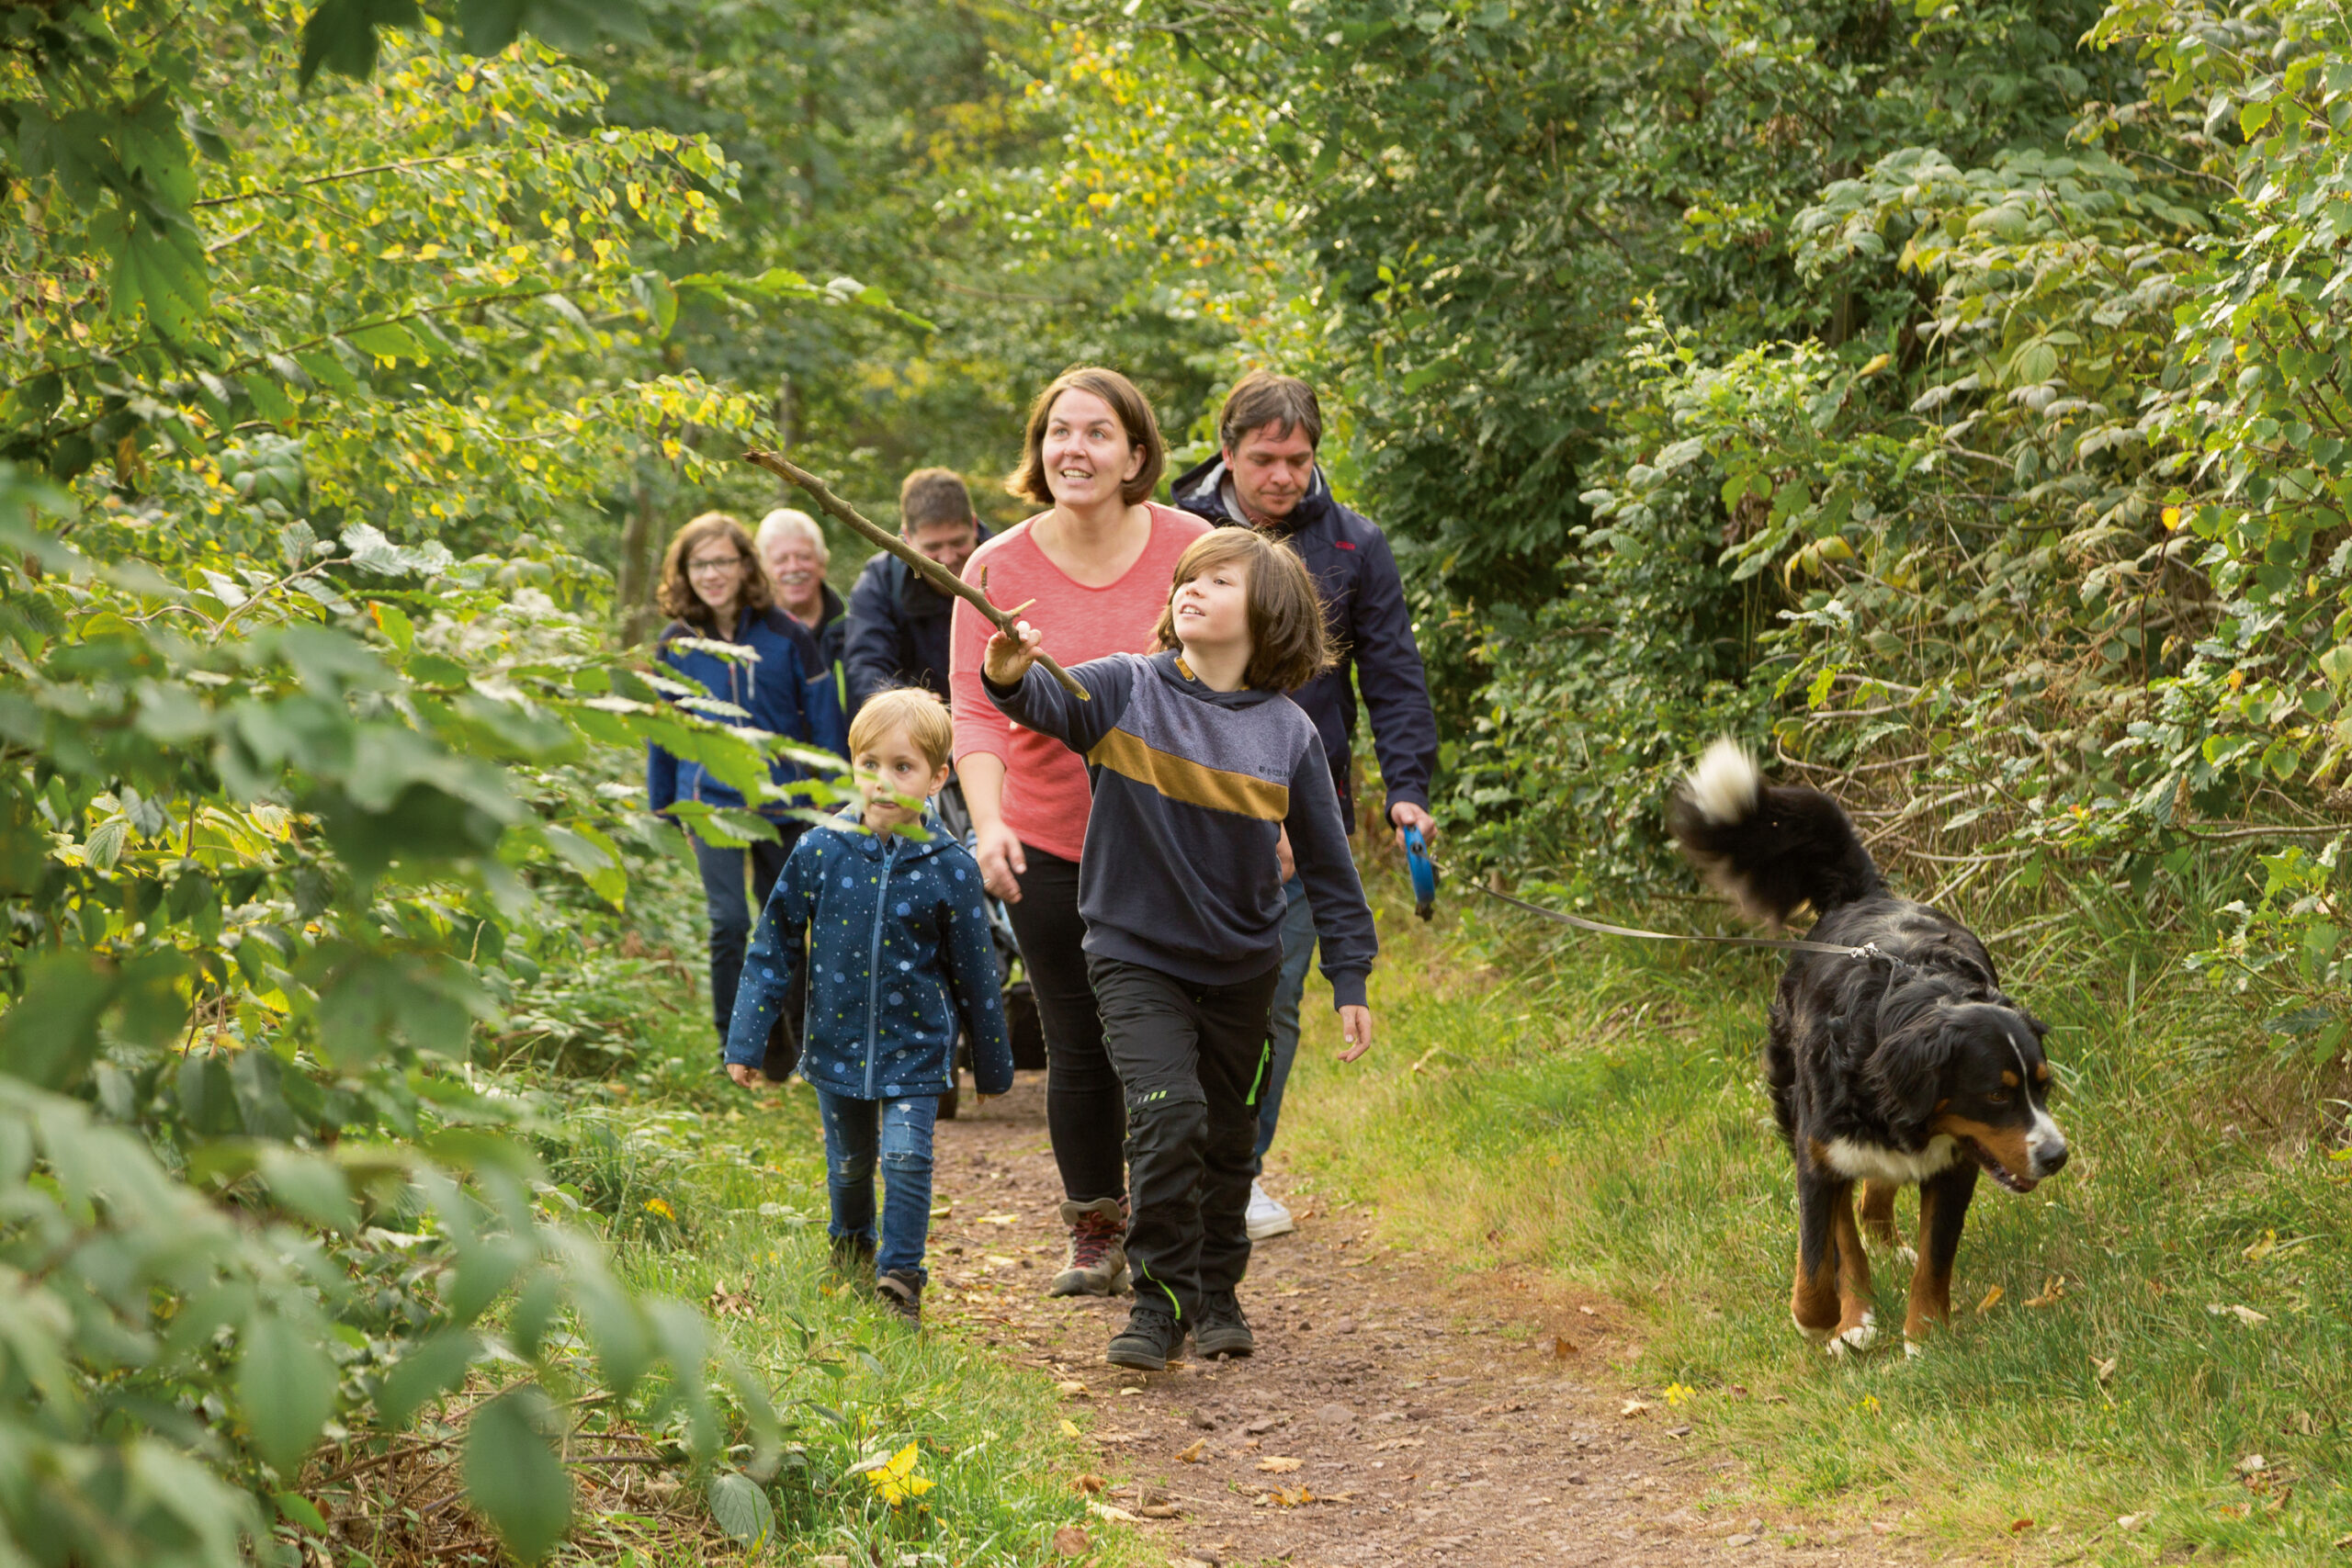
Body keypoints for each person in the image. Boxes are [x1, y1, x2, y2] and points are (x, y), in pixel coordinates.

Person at [980, 527, 1378, 1370]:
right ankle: (1158, 1305)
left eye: (1219, 581)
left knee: (1229, 1139)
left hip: (1242, 967)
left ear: (1266, 614)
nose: (1191, 589)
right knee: (1170, 1117)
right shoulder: (1127, 687)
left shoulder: (1289, 732)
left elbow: (1330, 867)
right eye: (1187, 578)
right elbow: (1038, 701)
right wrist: (1009, 668)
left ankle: (1217, 1289)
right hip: (1133, 955)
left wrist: (1350, 974)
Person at [948, 367, 1211, 1297]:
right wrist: (987, 827)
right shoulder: (992, 569)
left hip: (1176, 842)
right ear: (1037, 450)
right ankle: (1095, 1223)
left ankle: (1181, 1230)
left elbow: (1242, 687)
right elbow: (975, 715)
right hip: (1050, 840)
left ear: (1137, 453)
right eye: (1060, 432)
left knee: (1176, 1043)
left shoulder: (1197, 548)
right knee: (1077, 1039)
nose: (1076, 450)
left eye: (1098, 433)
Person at [1170, 371, 1440, 1241]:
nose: (1284, 475)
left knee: (1273, 998)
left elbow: (1393, 675)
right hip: (1178, 802)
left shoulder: (1356, 546)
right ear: (1227, 453)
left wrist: (1407, 790)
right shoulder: (1177, 532)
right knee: (1171, 996)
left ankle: (1239, 1172)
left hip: (1297, 806)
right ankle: (1163, 1164)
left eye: (1299, 458)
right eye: (1265, 459)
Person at [721, 687, 1014, 1325]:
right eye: (869, 764)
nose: (884, 782)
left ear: (939, 776)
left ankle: (901, 1277)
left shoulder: (950, 868)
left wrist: (992, 1067)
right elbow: (772, 945)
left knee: (907, 1154)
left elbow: (976, 975)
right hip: (835, 1041)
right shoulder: (820, 850)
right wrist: (747, 1040)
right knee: (851, 1163)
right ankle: (852, 1249)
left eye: (903, 767)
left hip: (916, 1046)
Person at [646, 512, 848, 1057]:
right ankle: (735, 1046)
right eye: (699, 564)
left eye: (722, 562)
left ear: (744, 566)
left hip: (782, 804)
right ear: (684, 573)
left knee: (783, 925)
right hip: (709, 806)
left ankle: (798, 1043)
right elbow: (662, 734)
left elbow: (824, 720)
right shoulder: (675, 644)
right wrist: (663, 809)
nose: (711, 575)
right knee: (729, 923)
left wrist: (831, 796)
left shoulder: (788, 635)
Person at [843, 468, 987, 717]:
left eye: (958, 542)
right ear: (907, 537)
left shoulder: (1007, 562)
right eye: (933, 547)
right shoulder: (881, 582)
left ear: (974, 526)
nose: (947, 558)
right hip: (920, 731)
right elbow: (866, 669)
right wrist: (903, 700)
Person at [757, 507, 848, 700]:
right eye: (781, 560)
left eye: (804, 557)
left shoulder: (855, 624)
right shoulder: (750, 632)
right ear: (764, 570)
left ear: (822, 563)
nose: (794, 567)